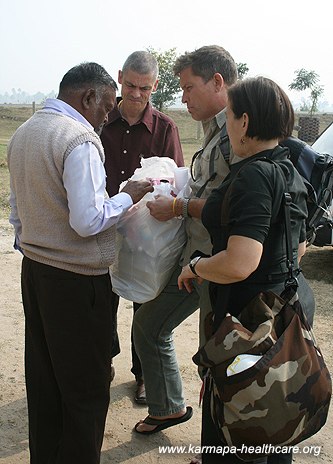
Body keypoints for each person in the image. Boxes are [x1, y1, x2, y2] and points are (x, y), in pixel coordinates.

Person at [7, 62, 153, 464]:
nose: (108, 116)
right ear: (88, 97)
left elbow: (16, 211)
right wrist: (129, 195)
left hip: (36, 273)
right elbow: (87, 220)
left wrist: (38, 246)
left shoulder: (24, 133)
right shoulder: (79, 139)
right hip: (76, 281)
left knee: (46, 379)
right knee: (85, 389)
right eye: (106, 106)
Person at [178, 76, 315, 464]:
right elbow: (299, 248)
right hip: (282, 312)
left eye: (232, 114)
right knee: (274, 419)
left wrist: (196, 266)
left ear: (244, 121)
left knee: (234, 431)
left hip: (245, 325)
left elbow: (240, 261)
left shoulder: (254, 175)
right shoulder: (291, 170)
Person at [132, 45, 241, 434]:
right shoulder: (217, 130)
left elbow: (230, 206)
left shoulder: (237, 134)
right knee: (158, 329)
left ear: (217, 82)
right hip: (197, 259)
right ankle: (172, 409)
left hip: (218, 263)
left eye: (189, 88)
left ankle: (220, 445)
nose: (183, 98)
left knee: (218, 356)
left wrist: (179, 207)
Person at [100, 50, 184, 404]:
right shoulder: (99, 120)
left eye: (144, 88)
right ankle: (102, 363)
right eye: (131, 85)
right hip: (102, 223)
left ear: (155, 86)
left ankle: (143, 374)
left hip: (144, 235)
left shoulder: (165, 128)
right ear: (120, 77)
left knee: (143, 301)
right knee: (100, 298)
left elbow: (176, 180)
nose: (136, 94)